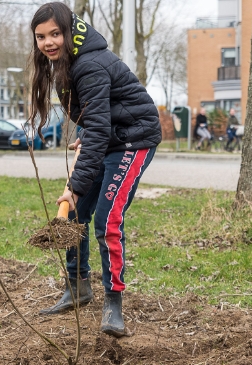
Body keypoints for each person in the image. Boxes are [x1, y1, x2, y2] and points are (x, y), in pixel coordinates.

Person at [29, 2, 161, 338]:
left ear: (69, 31)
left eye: (55, 34)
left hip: (134, 140)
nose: (48, 42)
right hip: (109, 137)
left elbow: (102, 125)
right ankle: (78, 287)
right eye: (41, 36)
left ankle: (113, 303)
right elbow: (98, 113)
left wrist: (74, 186)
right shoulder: (66, 62)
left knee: (106, 220)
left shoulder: (88, 64)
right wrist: (87, 134)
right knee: (75, 215)